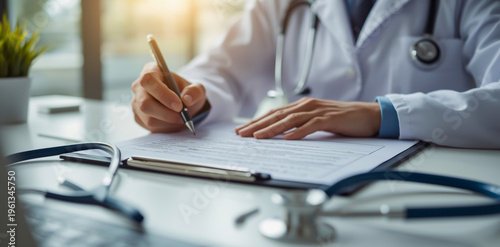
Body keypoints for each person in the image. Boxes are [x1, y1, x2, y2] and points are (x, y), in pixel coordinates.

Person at [131, 0, 500, 149]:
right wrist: (188, 100)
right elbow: (223, 70)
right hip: (306, 181)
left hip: (427, 187)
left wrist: (382, 114)